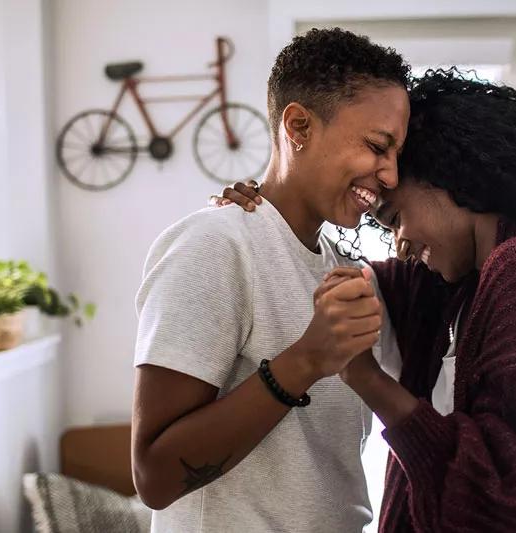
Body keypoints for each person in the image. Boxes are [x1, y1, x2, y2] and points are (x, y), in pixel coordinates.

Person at [217, 68, 516, 532]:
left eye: (396, 218)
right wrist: (268, 211)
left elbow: (509, 498)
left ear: (449, 177)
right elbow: (338, 275)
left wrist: (367, 379)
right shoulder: (452, 286)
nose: (400, 243)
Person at [131, 28, 409, 532]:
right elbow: (153, 477)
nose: (389, 174)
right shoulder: (214, 246)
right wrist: (305, 361)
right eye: (376, 146)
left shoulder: (343, 266)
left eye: (396, 156)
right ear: (299, 126)